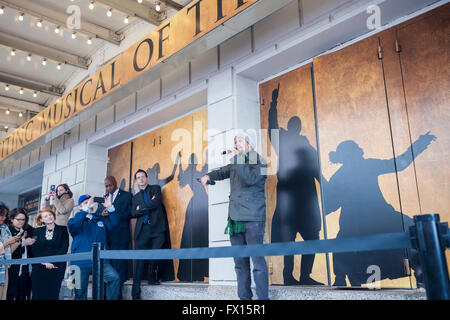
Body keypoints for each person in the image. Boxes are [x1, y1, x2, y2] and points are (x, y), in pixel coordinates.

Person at [200, 133, 269, 300]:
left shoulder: (260, 161)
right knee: (240, 263)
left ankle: (263, 299)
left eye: (240, 141)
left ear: (249, 144)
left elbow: (251, 179)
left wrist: (237, 158)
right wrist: (208, 175)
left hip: (253, 218)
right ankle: (244, 299)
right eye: (235, 142)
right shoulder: (236, 162)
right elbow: (222, 171)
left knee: (257, 262)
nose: (236, 144)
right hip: (235, 218)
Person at [68, 195, 120, 300]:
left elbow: (114, 224)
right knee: (79, 293)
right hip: (79, 263)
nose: (89, 204)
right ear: (79, 207)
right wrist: (85, 210)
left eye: (90, 202)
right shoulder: (73, 221)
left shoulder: (100, 219)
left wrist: (110, 208)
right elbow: (76, 225)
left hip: (100, 262)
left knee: (114, 278)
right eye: (85, 202)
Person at [131, 169, 169, 300]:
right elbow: (133, 213)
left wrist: (140, 207)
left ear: (146, 178)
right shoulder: (135, 197)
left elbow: (156, 202)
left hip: (157, 229)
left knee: (155, 255)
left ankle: (152, 278)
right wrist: (145, 206)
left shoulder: (155, 188)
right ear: (136, 181)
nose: (140, 179)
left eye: (142, 177)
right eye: (138, 177)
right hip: (143, 230)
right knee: (139, 260)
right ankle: (135, 291)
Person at [101, 176, 132, 299]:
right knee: (109, 268)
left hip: (120, 236)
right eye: (106, 186)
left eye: (110, 185)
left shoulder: (126, 195)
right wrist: (102, 213)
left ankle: (118, 295)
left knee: (120, 267)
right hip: (107, 238)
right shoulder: (104, 198)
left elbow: (130, 213)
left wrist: (113, 212)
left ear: (116, 183)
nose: (108, 188)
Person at [31, 208, 69, 300]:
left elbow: (64, 248)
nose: (49, 217)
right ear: (41, 220)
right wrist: (44, 262)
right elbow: (34, 249)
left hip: (56, 266)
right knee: (38, 294)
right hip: (39, 266)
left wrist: (51, 262)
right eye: (45, 216)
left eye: (50, 214)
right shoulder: (36, 231)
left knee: (53, 293)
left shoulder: (63, 229)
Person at [7, 208, 36, 300]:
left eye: (23, 219)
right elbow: (7, 252)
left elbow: (36, 236)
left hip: (25, 267)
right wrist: (23, 244)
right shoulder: (7, 231)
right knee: (10, 293)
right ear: (12, 219)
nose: (21, 222)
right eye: (18, 219)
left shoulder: (29, 230)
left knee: (23, 293)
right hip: (11, 268)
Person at [0, 202, 23, 300]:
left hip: (3, 267)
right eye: (1, 215)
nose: (4, 218)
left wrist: (15, 241)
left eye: (5, 215)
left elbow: (7, 251)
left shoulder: (4, 229)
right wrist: (7, 242)